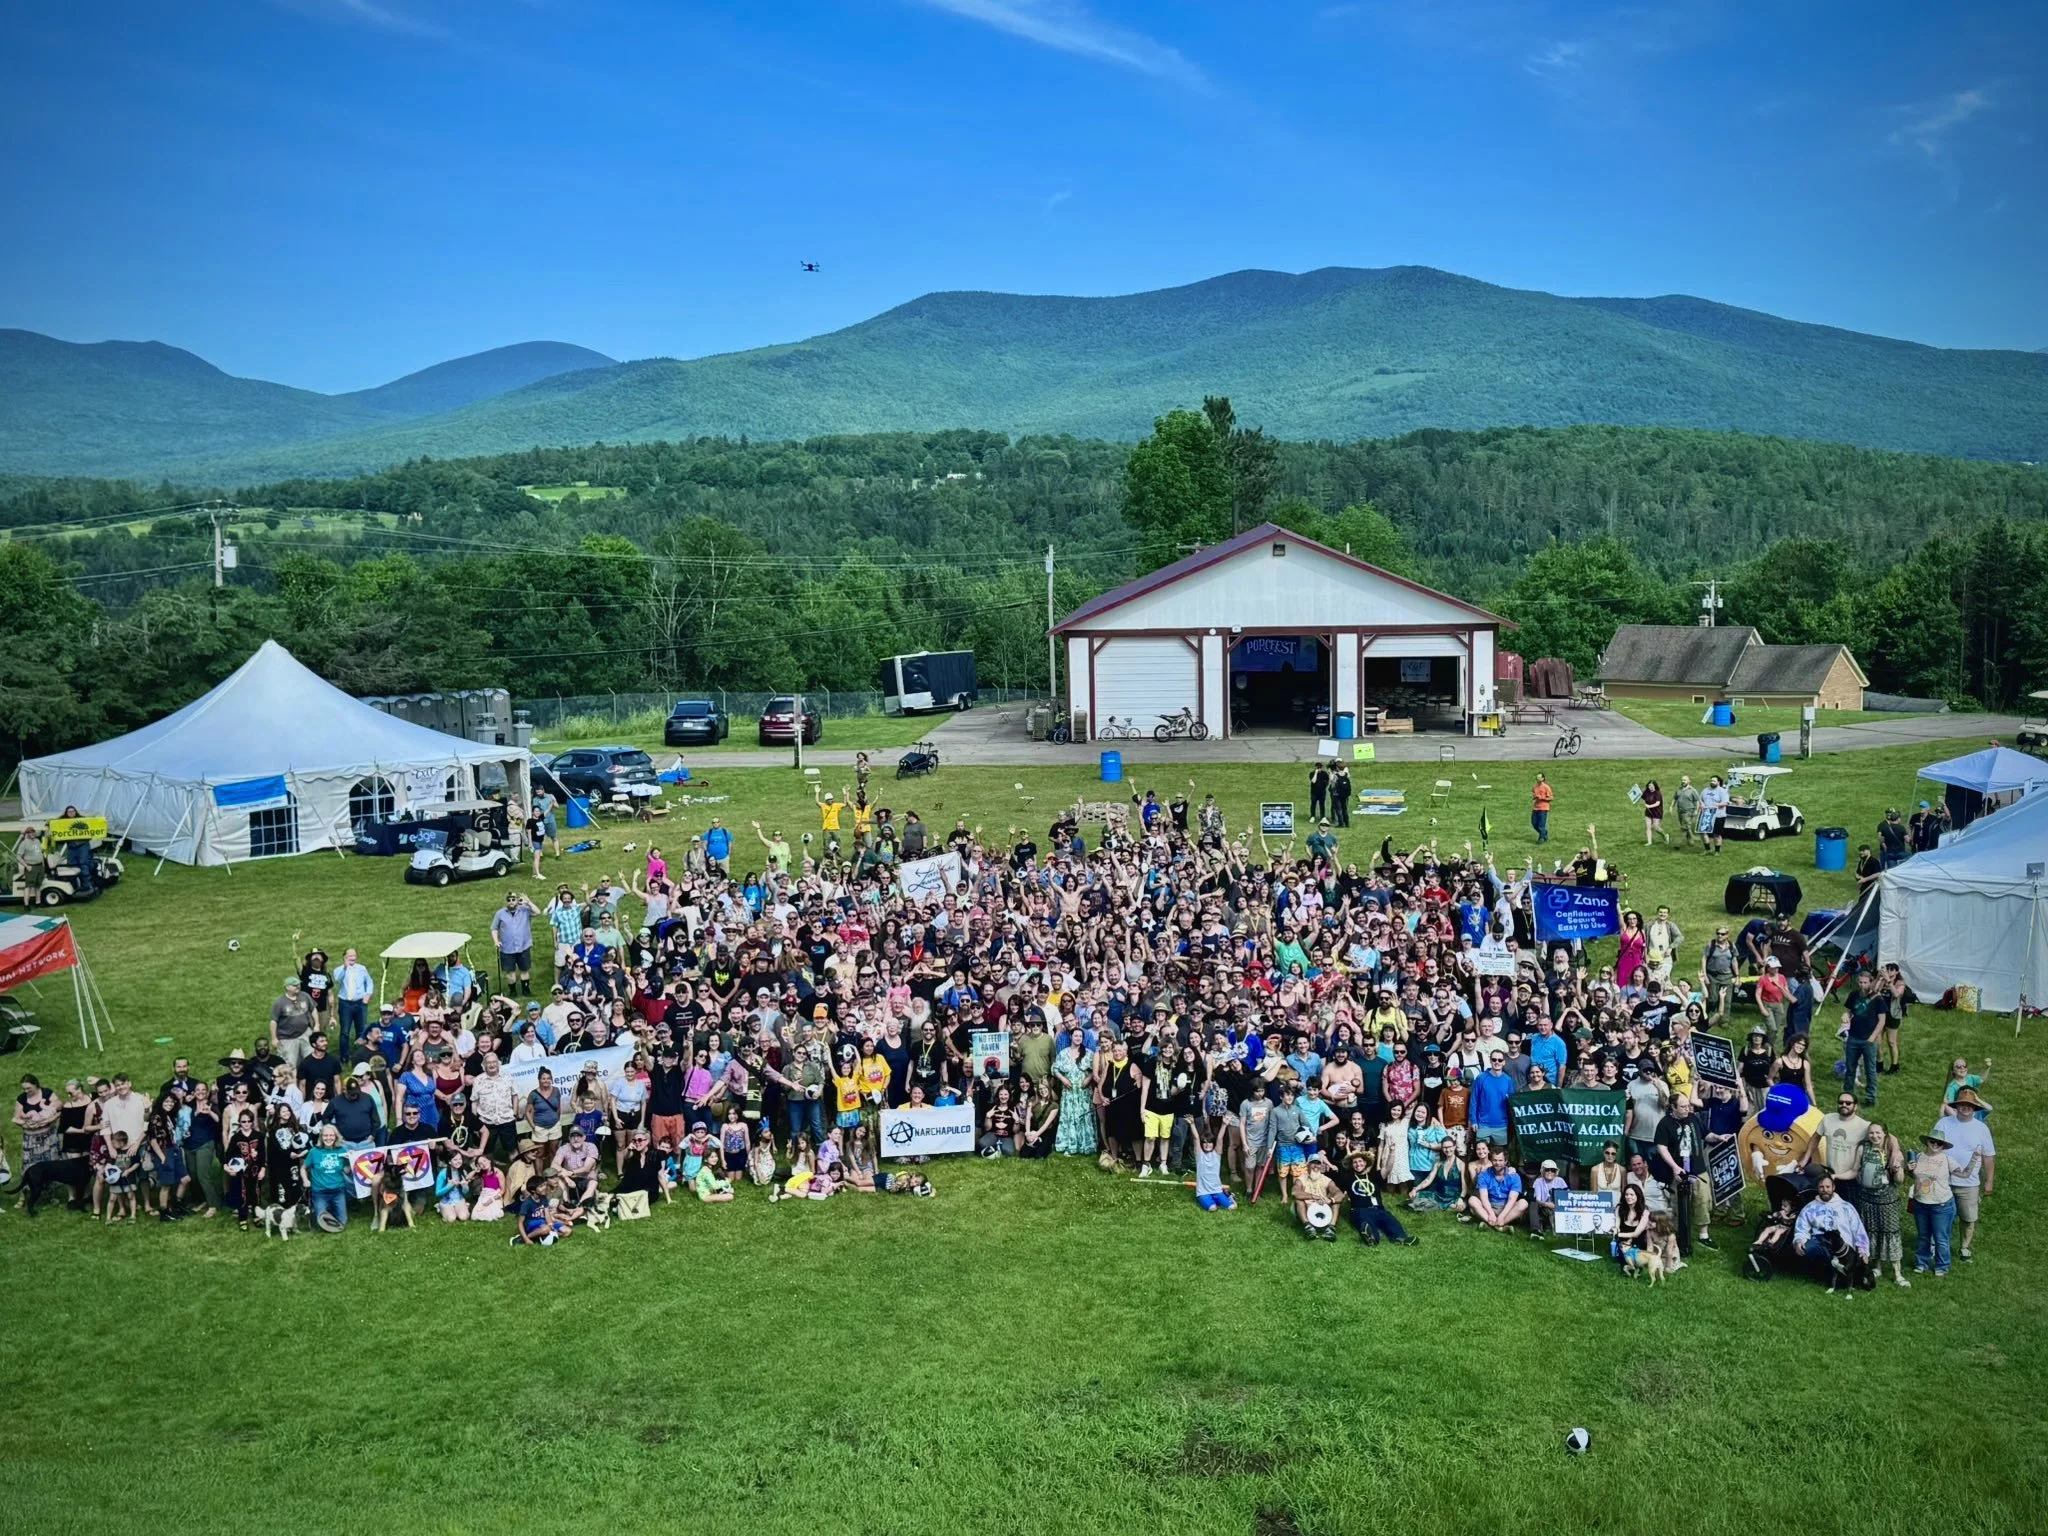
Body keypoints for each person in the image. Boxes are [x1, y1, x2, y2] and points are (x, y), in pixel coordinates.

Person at [1932, 1088, 1995, 1263]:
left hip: (1969, 1183)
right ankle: (1936, 1246)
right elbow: (1932, 1148)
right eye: (1962, 1104)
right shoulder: (1943, 1123)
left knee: (1968, 1218)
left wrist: (1989, 1181)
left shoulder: (1981, 1128)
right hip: (1943, 1180)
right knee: (1940, 1216)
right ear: (1957, 1105)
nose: (1965, 1107)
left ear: (1974, 1108)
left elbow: (1989, 1156)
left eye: (1969, 1105)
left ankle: (1964, 1248)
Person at [1855, 1120, 1909, 1288]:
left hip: (1887, 1201)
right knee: (1872, 1232)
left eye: (1878, 1133)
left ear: (1885, 1134)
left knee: (1890, 1233)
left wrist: (1897, 1169)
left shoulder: (1893, 1152)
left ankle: (1897, 1273)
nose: (1874, 1136)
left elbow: (1900, 1181)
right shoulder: (1863, 1149)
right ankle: (1876, 1266)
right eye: (1871, 1133)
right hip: (1867, 1199)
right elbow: (1856, 1169)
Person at [1908, 1125, 1960, 1277]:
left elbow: (1963, 1174)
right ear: (1927, 1142)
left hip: (1941, 1204)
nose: (1936, 1145)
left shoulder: (1947, 1159)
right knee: (1923, 1236)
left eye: (1939, 1143)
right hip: (1921, 1203)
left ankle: (1942, 1265)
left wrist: (1975, 1159)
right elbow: (1914, 1177)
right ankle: (1921, 1262)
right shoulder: (1918, 1156)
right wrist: (1909, 1170)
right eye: (1933, 1141)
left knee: (1941, 1238)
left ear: (1943, 1146)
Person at [1793, 1172, 1870, 1269]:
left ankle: (1838, 1269)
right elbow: (1801, 1229)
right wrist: (1798, 1241)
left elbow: (1859, 1230)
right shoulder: (1809, 1208)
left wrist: (1863, 1251)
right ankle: (1823, 1268)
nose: (1825, 1190)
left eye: (1828, 1187)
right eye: (1821, 1187)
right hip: (1821, 1245)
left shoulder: (1846, 1207)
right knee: (1808, 1247)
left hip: (1844, 1249)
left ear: (1833, 1187)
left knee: (1842, 1281)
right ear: (1817, 1188)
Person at [1838, 970, 1886, 1107]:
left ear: (1871, 982)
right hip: (1853, 1037)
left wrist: (1872, 1037)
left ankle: (1870, 1097)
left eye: (1865, 982)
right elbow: (1849, 1010)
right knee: (1850, 1068)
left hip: (1868, 1039)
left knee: (1870, 1070)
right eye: (1860, 982)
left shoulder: (1877, 999)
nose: (1862, 985)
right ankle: (1848, 1095)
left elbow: (1882, 1020)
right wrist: (1846, 1016)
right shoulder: (1854, 995)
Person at [1470, 1148, 1526, 1233]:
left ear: (1506, 1161)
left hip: (1507, 1208)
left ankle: (1493, 1223)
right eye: (1495, 1160)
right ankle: (1498, 1226)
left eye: (1500, 1160)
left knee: (1523, 1203)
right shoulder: (1484, 1174)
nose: (1497, 1163)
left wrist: (1502, 1216)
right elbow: (1484, 1197)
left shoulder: (1514, 1176)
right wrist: (1491, 1213)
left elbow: (1512, 1200)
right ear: (1491, 1160)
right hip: (1490, 1206)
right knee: (1472, 1200)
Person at [1192, 1133, 1234, 1211]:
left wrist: (1224, 1125)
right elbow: (1196, 1138)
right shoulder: (1199, 1155)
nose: (1207, 1145)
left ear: (1213, 1144)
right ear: (1202, 1144)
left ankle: (1227, 1195)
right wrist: (1192, 1124)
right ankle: (1209, 1199)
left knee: (1232, 1207)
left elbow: (1220, 1138)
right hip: (1203, 1192)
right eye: (1205, 1142)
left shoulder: (1217, 1154)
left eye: (1210, 1142)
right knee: (1212, 1208)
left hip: (1216, 1190)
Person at [1641, 779, 1666, 846]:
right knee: (1648, 827)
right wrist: (1643, 803)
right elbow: (1642, 798)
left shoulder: (1658, 793)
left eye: (1652, 785)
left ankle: (1665, 835)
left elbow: (1658, 803)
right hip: (1648, 812)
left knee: (1656, 827)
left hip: (1657, 812)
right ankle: (1649, 842)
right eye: (1649, 785)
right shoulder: (1646, 792)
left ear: (1655, 786)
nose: (1650, 787)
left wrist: (1649, 806)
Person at [1530, 773, 1552, 845]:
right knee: (1534, 823)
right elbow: (1533, 794)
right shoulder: (1535, 787)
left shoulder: (1546, 787)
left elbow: (1550, 798)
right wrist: (1534, 797)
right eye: (1537, 777)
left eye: (1539, 777)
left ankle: (1541, 839)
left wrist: (1542, 798)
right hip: (1536, 808)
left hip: (1543, 808)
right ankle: (1544, 833)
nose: (1537, 779)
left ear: (1543, 778)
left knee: (1541, 825)